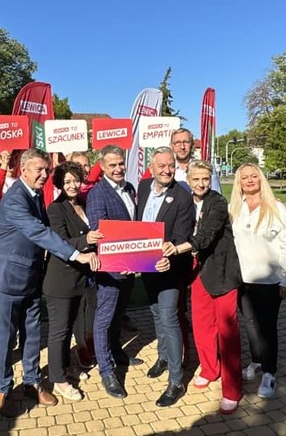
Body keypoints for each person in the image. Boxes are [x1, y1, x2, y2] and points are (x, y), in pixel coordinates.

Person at [0, 148, 100, 418]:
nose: (44, 174)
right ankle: (4, 389)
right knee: (5, 338)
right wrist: (76, 254)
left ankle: (32, 382)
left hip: (32, 277)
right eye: (38, 169)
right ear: (23, 169)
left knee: (32, 334)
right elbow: (38, 232)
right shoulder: (15, 199)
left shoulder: (35, 195)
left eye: (46, 170)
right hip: (7, 279)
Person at [162, 160, 242, 414]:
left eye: (205, 179)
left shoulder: (217, 203)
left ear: (211, 180)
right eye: (196, 179)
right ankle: (209, 369)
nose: (200, 184)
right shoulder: (184, 201)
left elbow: (205, 236)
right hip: (196, 274)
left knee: (227, 331)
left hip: (222, 272)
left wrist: (176, 249)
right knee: (202, 326)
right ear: (188, 180)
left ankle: (232, 389)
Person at [229, 163, 286, 399]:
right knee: (250, 324)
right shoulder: (234, 209)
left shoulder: (276, 208)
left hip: (270, 280)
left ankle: (270, 372)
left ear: (261, 179)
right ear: (239, 182)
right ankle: (257, 361)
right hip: (242, 280)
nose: (249, 180)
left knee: (267, 328)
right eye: (244, 177)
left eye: (254, 176)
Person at [137, 147, 194, 407]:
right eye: (161, 165)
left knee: (170, 317)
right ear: (151, 168)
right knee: (156, 312)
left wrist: (168, 256)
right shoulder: (143, 187)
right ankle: (163, 357)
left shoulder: (182, 196)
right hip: (146, 266)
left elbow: (181, 237)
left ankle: (176, 380)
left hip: (170, 268)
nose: (167, 170)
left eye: (171, 165)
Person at [86, 145, 144, 400]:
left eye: (121, 163)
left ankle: (117, 352)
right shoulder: (97, 194)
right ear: (102, 167)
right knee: (105, 319)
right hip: (111, 269)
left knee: (119, 314)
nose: (118, 168)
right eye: (112, 165)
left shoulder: (129, 188)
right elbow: (99, 231)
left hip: (131, 266)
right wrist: (120, 256)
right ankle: (107, 371)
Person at [43, 161, 103, 401]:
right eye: (67, 181)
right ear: (59, 183)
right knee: (59, 331)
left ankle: (67, 366)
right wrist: (86, 239)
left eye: (76, 180)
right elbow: (60, 243)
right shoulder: (55, 209)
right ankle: (58, 379)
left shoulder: (84, 203)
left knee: (70, 327)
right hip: (60, 279)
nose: (72, 185)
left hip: (80, 278)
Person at [66, 151, 98, 367]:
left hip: (92, 263)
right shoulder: (60, 204)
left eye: (87, 166)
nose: (84, 170)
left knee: (92, 303)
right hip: (74, 263)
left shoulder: (87, 199)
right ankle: (81, 346)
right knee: (79, 306)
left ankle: (90, 339)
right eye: (79, 165)